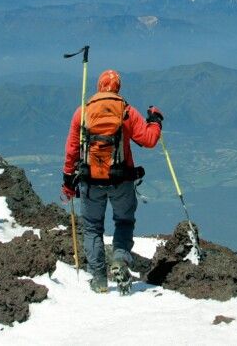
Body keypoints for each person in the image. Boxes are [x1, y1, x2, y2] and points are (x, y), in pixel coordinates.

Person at [61, 69, 163, 293]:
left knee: (92, 229)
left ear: (98, 87)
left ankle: (98, 279)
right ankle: (119, 259)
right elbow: (148, 140)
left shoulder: (83, 112)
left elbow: (71, 150)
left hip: (90, 183)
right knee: (124, 222)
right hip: (121, 182)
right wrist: (155, 120)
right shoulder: (126, 111)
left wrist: (68, 182)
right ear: (118, 88)